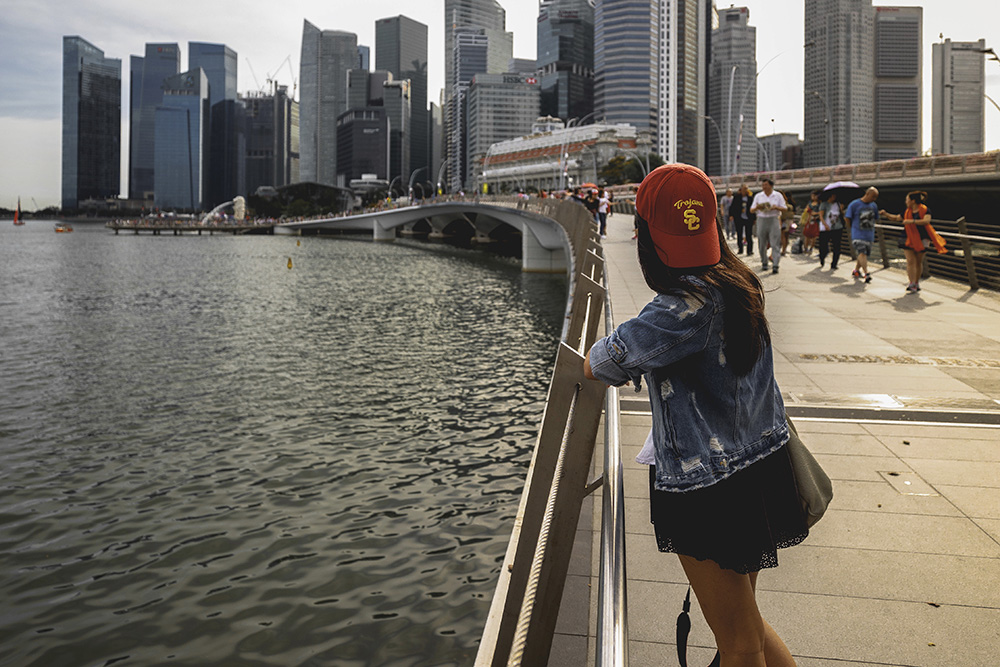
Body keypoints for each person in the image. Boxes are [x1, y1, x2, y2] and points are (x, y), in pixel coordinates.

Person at [585, 163, 805, 667]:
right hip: (760, 469)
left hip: (711, 491)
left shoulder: (679, 307)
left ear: (641, 233)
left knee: (739, 640)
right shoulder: (737, 282)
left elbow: (602, 360)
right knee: (745, 621)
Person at [879, 190, 947, 293]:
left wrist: (912, 221)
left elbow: (926, 221)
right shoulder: (907, 211)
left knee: (918, 261)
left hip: (922, 237)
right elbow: (897, 218)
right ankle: (912, 283)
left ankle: (916, 282)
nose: (906, 202)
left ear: (913, 201)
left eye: (907, 200)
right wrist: (886, 214)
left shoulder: (925, 210)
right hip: (908, 237)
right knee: (911, 261)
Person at [750, 178, 786, 274]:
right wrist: (757, 207)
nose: (764, 187)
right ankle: (764, 262)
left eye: (766, 185)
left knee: (775, 243)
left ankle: (775, 264)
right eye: (763, 185)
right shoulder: (758, 196)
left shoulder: (778, 195)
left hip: (774, 219)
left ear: (771, 185)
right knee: (762, 243)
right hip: (761, 220)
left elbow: (785, 208)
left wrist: (776, 207)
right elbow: (751, 210)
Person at [844, 187, 880, 284]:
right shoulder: (854, 204)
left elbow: (876, 217)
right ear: (867, 194)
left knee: (863, 254)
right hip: (857, 233)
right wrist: (851, 228)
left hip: (869, 234)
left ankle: (856, 270)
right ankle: (866, 273)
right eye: (873, 196)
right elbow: (847, 218)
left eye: (876, 197)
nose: (874, 199)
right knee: (862, 252)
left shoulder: (874, 206)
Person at [817, 192, 844, 270]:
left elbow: (841, 215)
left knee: (837, 246)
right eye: (833, 196)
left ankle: (834, 264)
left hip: (837, 227)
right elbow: (821, 216)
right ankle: (822, 257)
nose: (834, 197)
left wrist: (841, 210)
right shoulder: (824, 204)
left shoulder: (838, 204)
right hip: (826, 228)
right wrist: (825, 225)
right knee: (823, 246)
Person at [728, 184, 755, 255]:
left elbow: (753, 209)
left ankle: (749, 250)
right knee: (739, 234)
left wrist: (754, 219)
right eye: (744, 189)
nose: (745, 190)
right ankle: (740, 249)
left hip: (748, 218)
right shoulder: (737, 198)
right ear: (741, 190)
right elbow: (732, 207)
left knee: (748, 234)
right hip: (739, 218)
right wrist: (731, 215)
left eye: (746, 189)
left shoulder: (750, 198)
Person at [801, 191, 821, 255]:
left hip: (816, 220)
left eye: (814, 196)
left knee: (814, 236)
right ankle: (806, 248)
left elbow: (821, 212)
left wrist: (815, 213)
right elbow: (806, 210)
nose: (812, 197)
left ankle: (811, 248)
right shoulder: (810, 203)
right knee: (807, 235)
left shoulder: (819, 204)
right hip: (809, 220)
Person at [779, 191, 795, 257]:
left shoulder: (781, 204)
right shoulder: (790, 204)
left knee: (782, 236)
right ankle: (784, 250)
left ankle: (783, 250)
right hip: (790, 221)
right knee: (786, 236)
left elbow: (781, 214)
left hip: (783, 221)